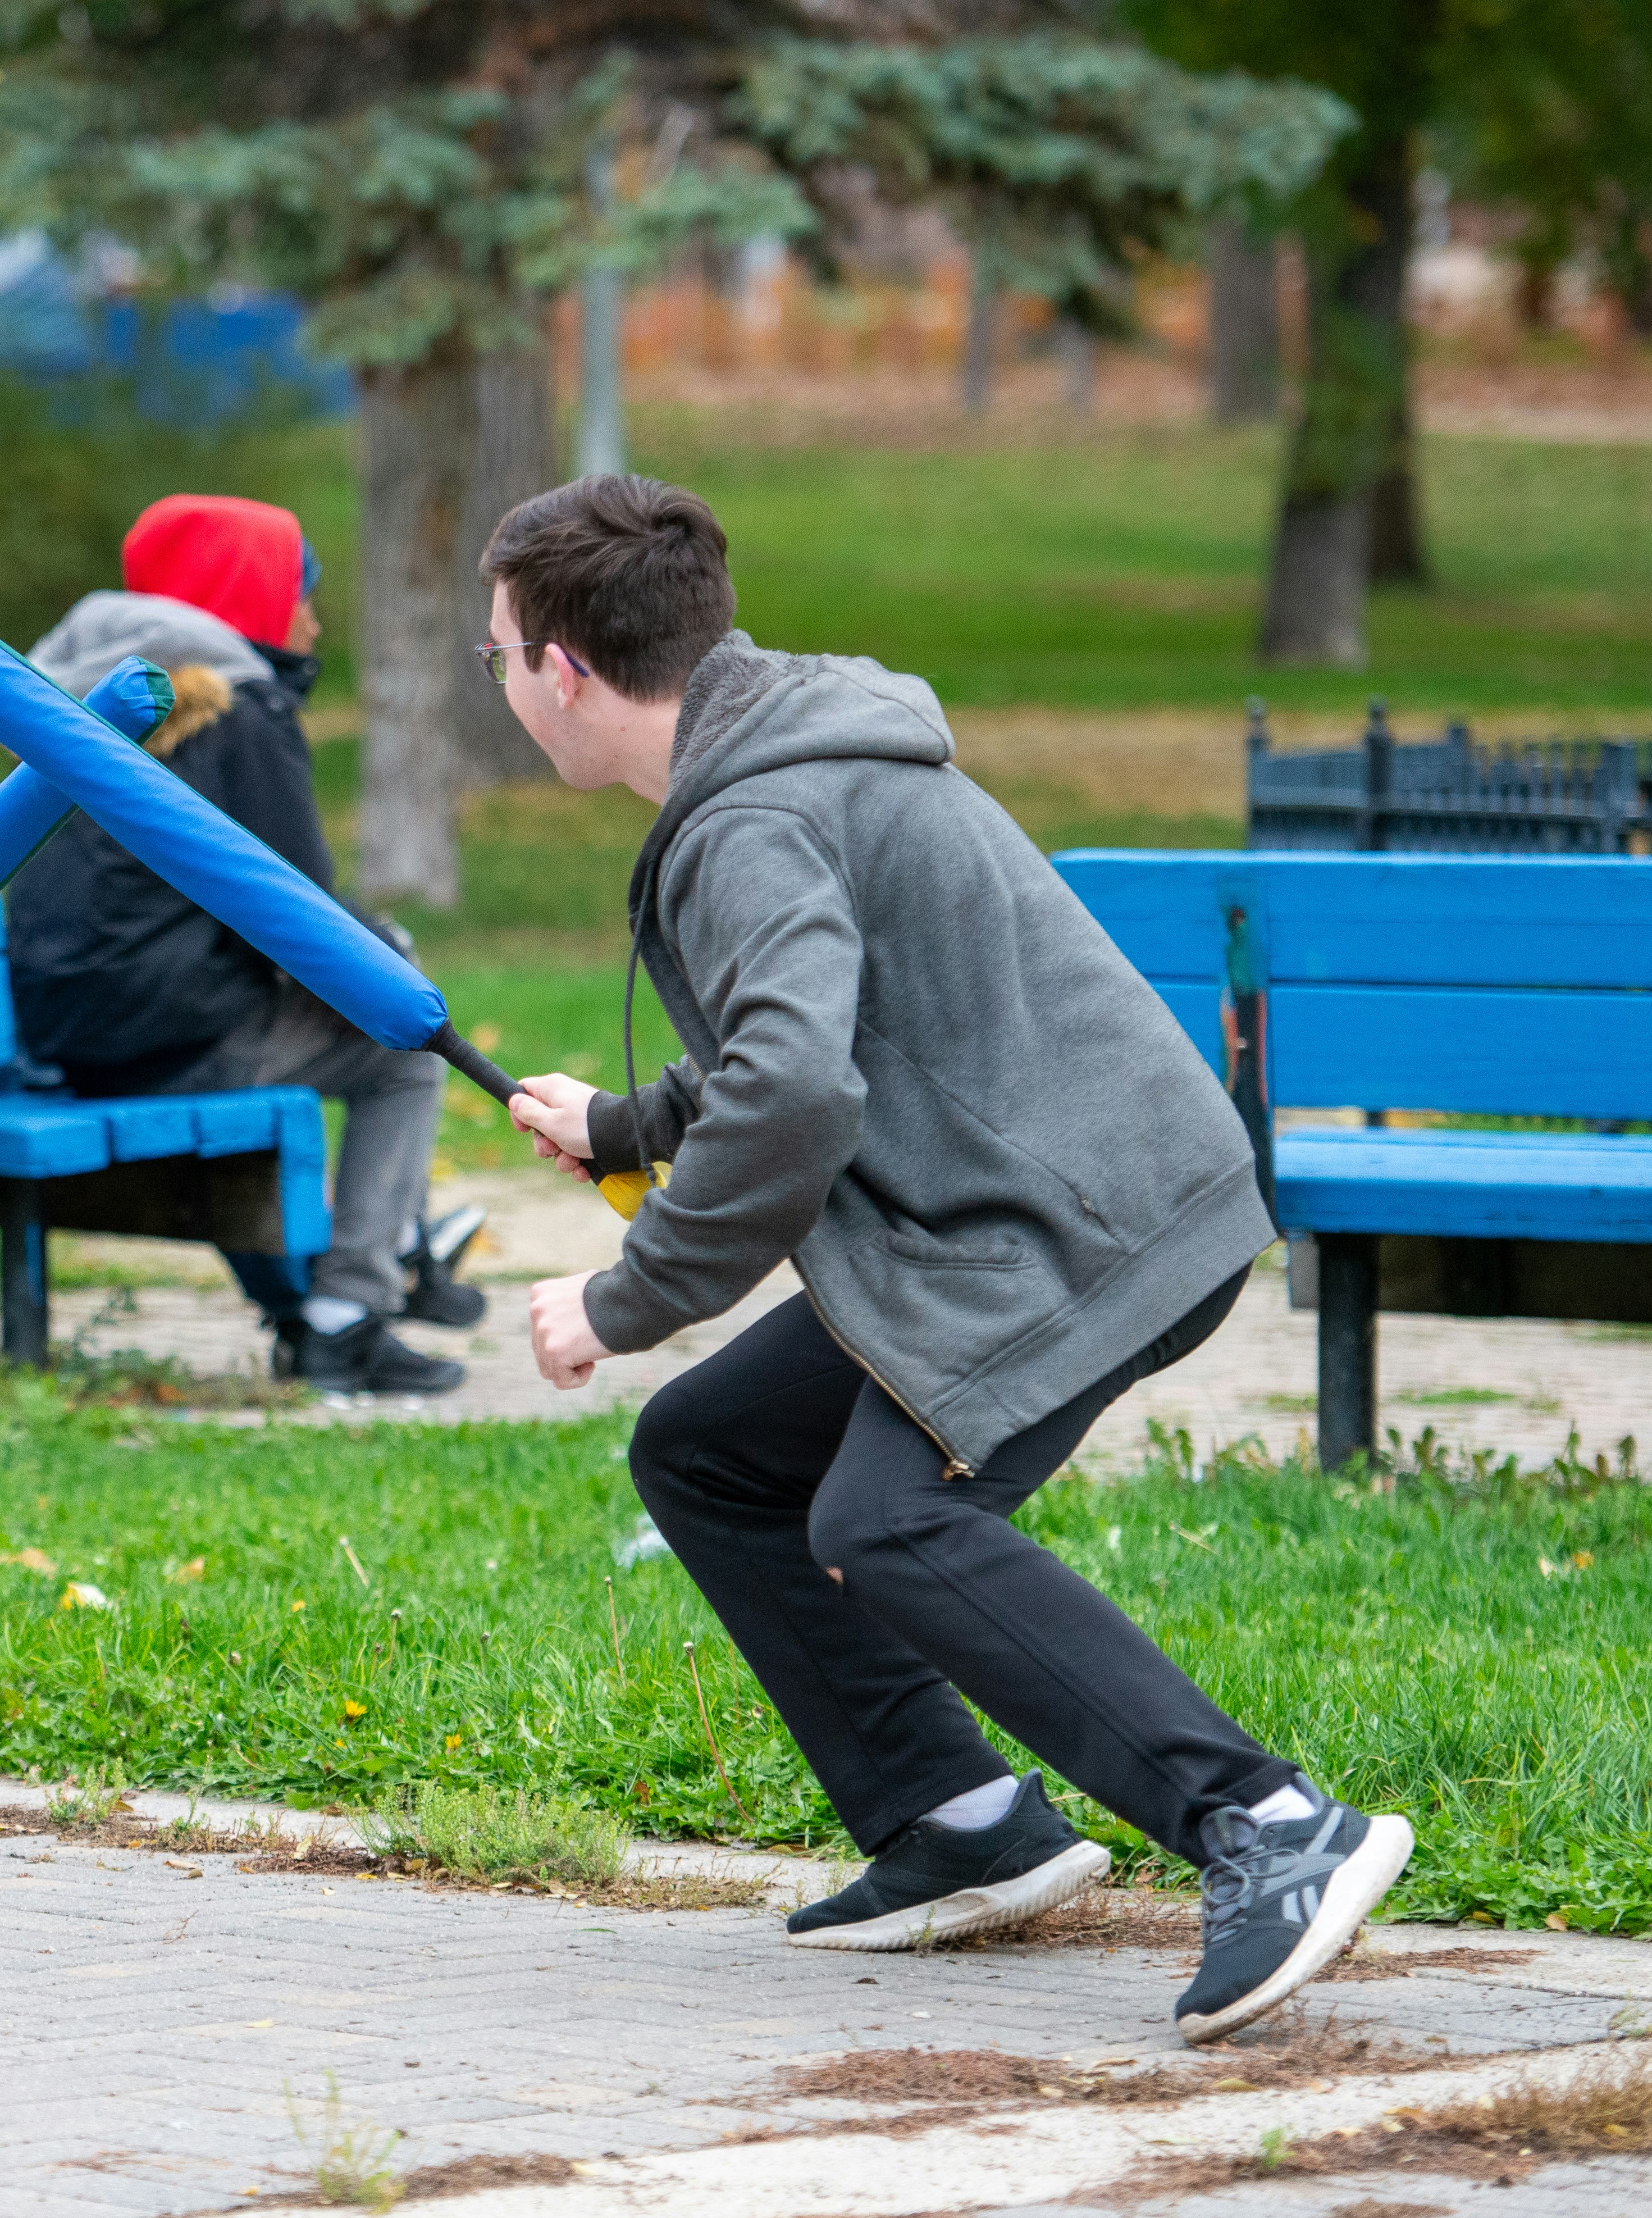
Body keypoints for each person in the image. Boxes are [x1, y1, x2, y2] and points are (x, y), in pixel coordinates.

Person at [484, 474, 1410, 2045]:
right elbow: (812, 1038)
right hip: (1044, 1201)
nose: (499, 690)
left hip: (1065, 1226)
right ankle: (957, 1816)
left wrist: (621, 1299)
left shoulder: (751, 814)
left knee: (883, 1515)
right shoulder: (781, 754)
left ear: (563, 667)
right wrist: (629, 1119)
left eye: (497, 655)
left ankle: (1263, 1819)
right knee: (709, 1452)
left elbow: (791, 1091)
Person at [6, 493, 478, 1395]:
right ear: (251, 597)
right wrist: (393, 955)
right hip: (171, 1041)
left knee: (299, 1039)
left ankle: (334, 1291)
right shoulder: (238, 708)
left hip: (59, 1041)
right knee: (402, 1053)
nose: (314, 620)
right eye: (301, 594)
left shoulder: (69, 699)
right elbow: (302, 920)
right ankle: (349, 1311)